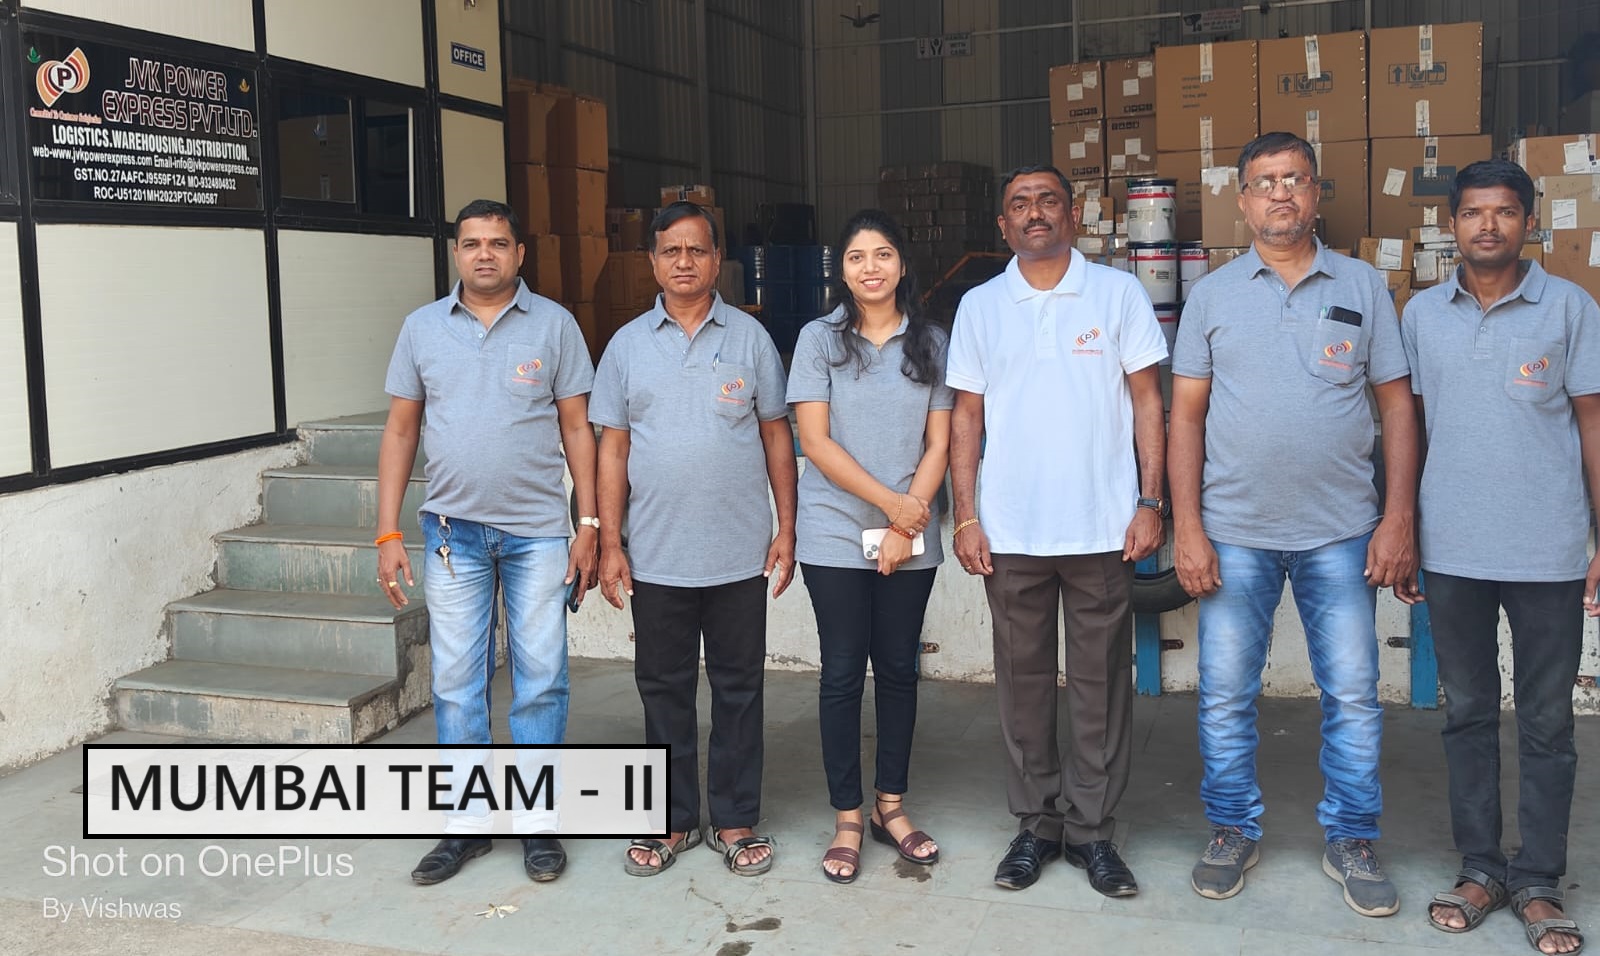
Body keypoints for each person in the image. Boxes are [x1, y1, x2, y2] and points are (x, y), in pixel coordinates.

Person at [1168, 131, 1420, 917]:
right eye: (1265, 182)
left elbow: (1397, 407)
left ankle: (1352, 837)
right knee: (1224, 696)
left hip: (1342, 531)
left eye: (1295, 179)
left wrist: (1398, 517)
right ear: (1243, 201)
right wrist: (1187, 527)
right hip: (1234, 530)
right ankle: (1231, 828)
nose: (1281, 193)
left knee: (1353, 695)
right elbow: (1184, 417)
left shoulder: (1363, 285)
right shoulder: (1212, 295)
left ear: (1316, 193)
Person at [947, 164, 1168, 898]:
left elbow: (1148, 402)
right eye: (1020, 204)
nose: (1034, 213)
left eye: (1047, 200)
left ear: (1073, 215)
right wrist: (967, 514)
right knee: (1023, 687)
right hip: (1010, 531)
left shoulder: (1118, 293)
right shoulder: (981, 306)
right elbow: (967, 417)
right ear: (1003, 225)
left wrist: (1150, 501)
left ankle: (1093, 831)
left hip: (1102, 527)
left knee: (1100, 687)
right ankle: (1037, 826)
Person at [1402, 159, 1597, 955]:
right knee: (1468, 714)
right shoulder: (1421, 314)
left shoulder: (1571, 308)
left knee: (1547, 722)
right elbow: (1408, 428)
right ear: (1451, 224)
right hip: (1452, 549)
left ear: (1529, 222)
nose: (1489, 225)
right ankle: (1481, 868)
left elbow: (1593, 423)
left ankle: (1540, 879)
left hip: (1548, 550)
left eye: (1505, 212)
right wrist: (1403, 529)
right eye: (1474, 212)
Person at [376, 199, 598, 885]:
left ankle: (537, 824)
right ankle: (466, 827)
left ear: (519, 253)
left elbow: (578, 429)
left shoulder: (555, 325)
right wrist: (387, 530)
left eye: (498, 243)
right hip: (452, 536)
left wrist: (588, 525)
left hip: (538, 535)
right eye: (472, 243)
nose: (484, 254)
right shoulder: (421, 328)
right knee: (455, 683)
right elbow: (401, 431)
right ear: (456, 252)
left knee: (541, 681)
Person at [590, 202, 798, 878]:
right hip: (655, 555)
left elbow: (777, 435)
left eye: (698, 250)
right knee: (663, 690)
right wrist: (611, 542)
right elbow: (612, 449)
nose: (685, 261)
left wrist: (787, 528)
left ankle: (734, 818)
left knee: (740, 688)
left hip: (739, 553)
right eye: (671, 251)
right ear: (653, 261)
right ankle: (671, 819)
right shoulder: (626, 346)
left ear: (717, 260)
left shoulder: (750, 339)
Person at [787, 209, 952, 884]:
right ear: (843, 270)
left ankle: (891, 806)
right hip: (832, 529)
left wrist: (906, 528)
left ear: (902, 264)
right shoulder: (819, 340)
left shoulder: (932, 341)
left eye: (883, 254)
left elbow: (940, 443)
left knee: (900, 669)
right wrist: (893, 508)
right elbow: (815, 442)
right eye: (857, 257)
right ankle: (848, 816)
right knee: (841, 673)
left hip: (911, 534)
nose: (871, 268)